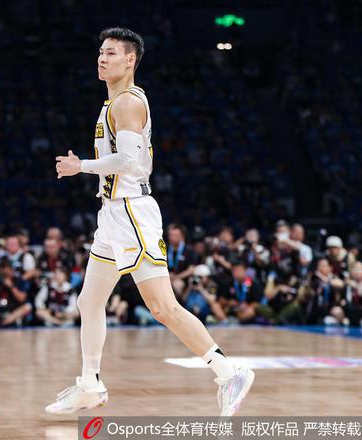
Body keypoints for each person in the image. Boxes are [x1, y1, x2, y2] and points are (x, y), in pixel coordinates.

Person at [48, 27, 253, 416]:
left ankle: (229, 373)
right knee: (89, 301)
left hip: (131, 212)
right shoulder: (113, 103)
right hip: (112, 213)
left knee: (162, 307)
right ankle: (90, 385)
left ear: (130, 60)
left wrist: (81, 166)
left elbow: (127, 161)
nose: (102, 58)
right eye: (100, 51)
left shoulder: (127, 103)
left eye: (111, 52)